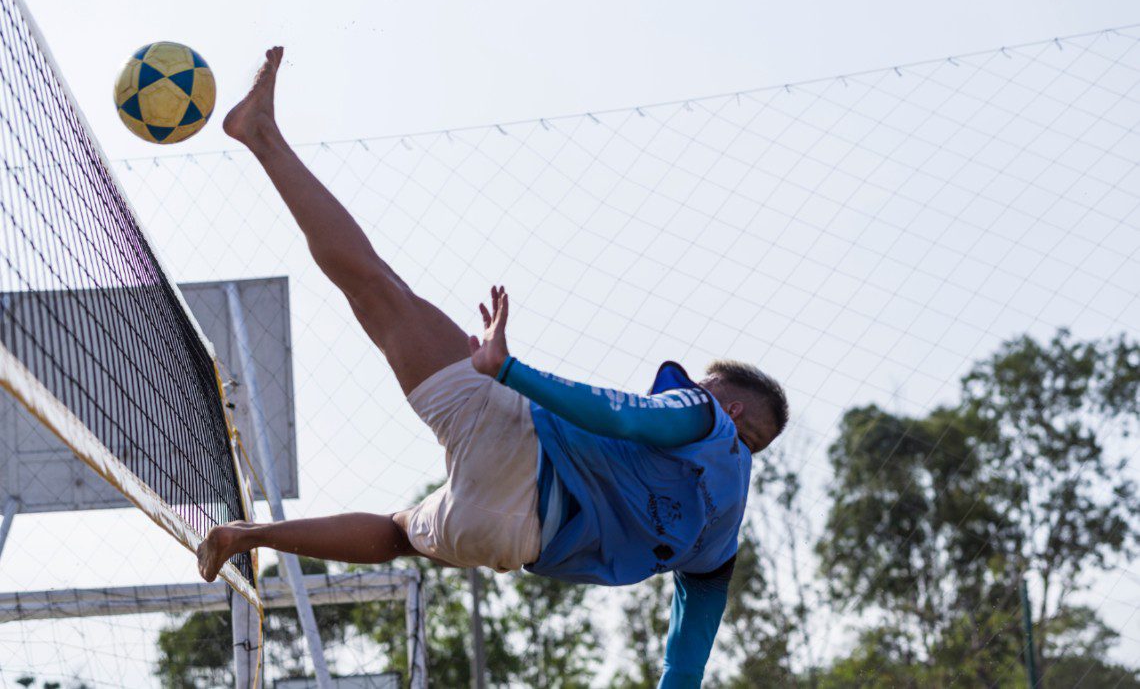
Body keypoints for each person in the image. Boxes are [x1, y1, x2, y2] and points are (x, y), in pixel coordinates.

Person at [197, 47, 789, 687]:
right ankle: (245, 536)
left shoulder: (706, 419)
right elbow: (687, 653)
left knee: (378, 290)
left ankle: (260, 135)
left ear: (729, 408)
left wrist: (511, 371)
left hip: (520, 448)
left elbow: (621, 415)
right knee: (399, 533)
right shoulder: (720, 541)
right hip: (504, 540)